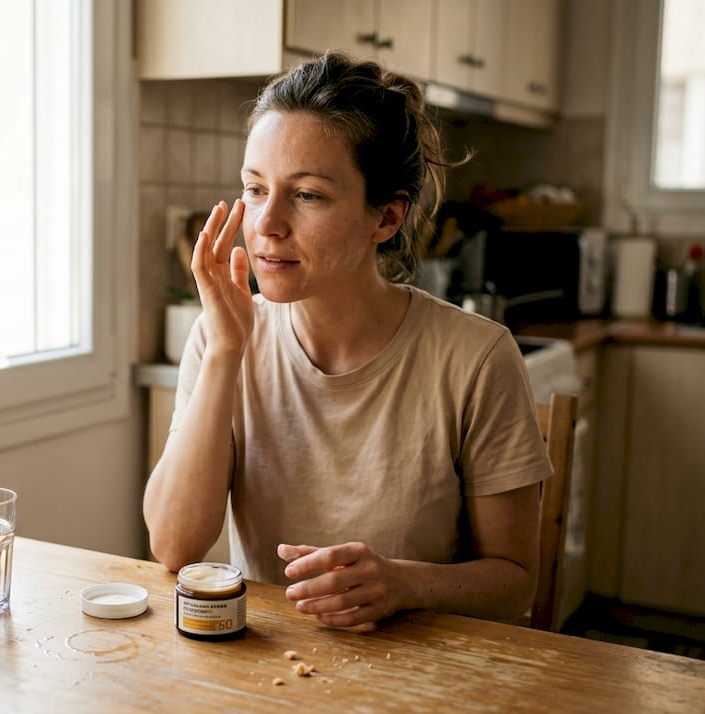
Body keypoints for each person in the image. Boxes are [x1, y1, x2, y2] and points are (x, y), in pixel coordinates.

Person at [142, 52, 552, 629]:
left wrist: (404, 584)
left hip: (423, 674)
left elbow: (515, 585)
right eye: (255, 190)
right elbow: (174, 546)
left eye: (306, 195)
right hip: (272, 672)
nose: (266, 224)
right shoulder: (222, 337)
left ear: (384, 219)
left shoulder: (476, 358)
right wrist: (226, 353)